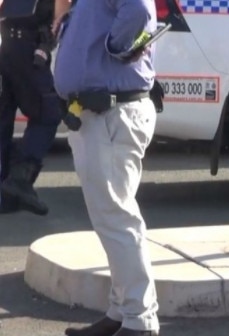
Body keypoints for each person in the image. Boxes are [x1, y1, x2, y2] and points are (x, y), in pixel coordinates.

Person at [53, 0, 160, 335]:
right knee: (110, 219)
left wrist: (115, 45)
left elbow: (138, 10)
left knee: (116, 218)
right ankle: (122, 310)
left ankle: (139, 318)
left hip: (110, 114)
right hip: (98, 114)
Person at [0, 0, 64, 215]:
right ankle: (19, 179)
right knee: (49, 112)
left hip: (7, 43)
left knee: (4, 119)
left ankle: (6, 195)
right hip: (28, 47)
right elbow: (63, 8)